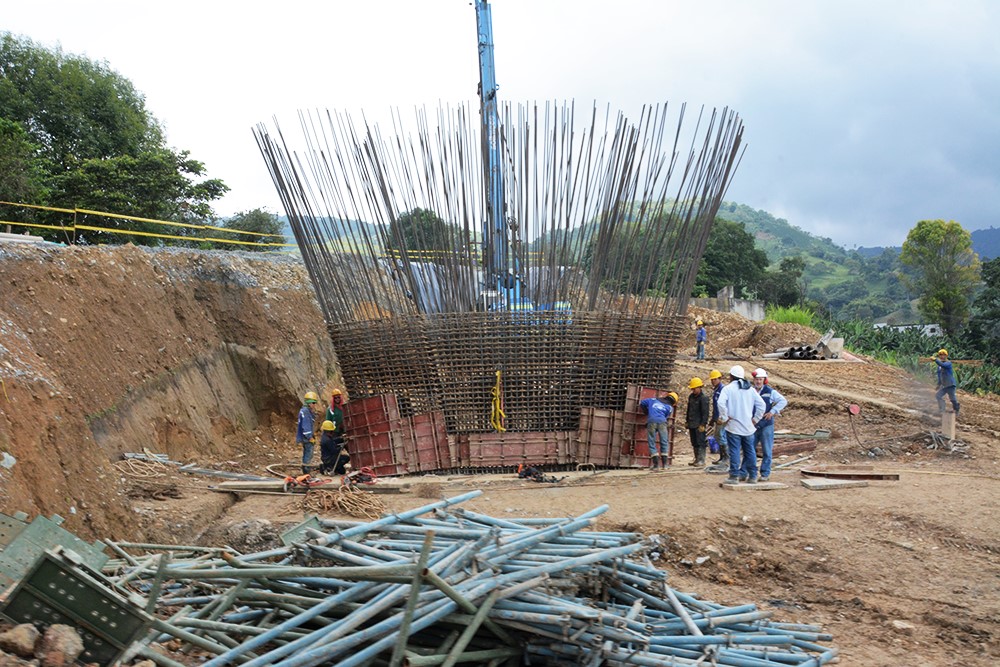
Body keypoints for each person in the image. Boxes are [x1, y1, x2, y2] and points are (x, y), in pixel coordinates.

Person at [717, 365, 765, 484]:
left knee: (734, 451)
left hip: (733, 426)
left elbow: (721, 403)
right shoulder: (750, 389)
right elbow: (762, 405)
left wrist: (724, 417)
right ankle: (753, 476)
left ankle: (734, 476)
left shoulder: (728, 389)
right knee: (750, 452)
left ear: (731, 376)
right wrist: (755, 419)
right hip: (748, 427)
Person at [750, 368, 788, 483]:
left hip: (766, 425)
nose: (758, 382)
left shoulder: (770, 392)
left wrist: (773, 411)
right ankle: (751, 472)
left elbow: (783, 401)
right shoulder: (751, 391)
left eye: (760, 379)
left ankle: (765, 473)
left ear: (764, 380)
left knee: (767, 450)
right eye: (756, 379)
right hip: (753, 425)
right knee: (750, 449)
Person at [640, 391, 674, 469]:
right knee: (664, 442)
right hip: (662, 422)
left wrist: (647, 412)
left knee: (652, 442)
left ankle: (656, 465)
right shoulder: (670, 407)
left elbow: (642, 403)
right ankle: (665, 465)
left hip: (651, 421)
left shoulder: (652, 400)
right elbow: (666, 417)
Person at [685, 377, 710, 466]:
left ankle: (701, 460)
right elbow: (689, 410)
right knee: (694, 442)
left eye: (694, 388)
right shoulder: (691, 397)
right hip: (692, 423)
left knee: (701, 442)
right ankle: (697, 459)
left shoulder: (704, 398)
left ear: (699, 387)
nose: (693, 390)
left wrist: (703, 424)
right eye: (692, 389)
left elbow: (705, 412)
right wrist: (687, 421)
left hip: (699, 424)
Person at [296, 391, 320, 474]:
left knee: (307, 453)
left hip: (304, 437)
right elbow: (306, 426)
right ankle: (306, 472)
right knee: (308, 454)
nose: (314, 405)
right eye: (313, 403)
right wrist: (310, 437)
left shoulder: (304, 410)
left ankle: (305, 470)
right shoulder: (306, 412)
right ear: (309, 402)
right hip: (306, 437)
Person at [708, 369, 728, 464]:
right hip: (718, 417)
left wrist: (722, 417)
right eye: (712, 379)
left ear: (719, 379)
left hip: (722, 418)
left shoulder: (723, 390)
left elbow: (724, 405)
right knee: (717, 436)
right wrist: (713, 418)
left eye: (715, 379)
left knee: (721, 436)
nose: (713, 381)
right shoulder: (716, 390)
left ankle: (726, 457)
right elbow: (715, 406)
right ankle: (722, 457)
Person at [934, 349, 960, 416]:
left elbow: (943, 365)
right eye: (940, 355)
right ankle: (942, 409)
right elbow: (940, 376)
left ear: (946, 356)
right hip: (945, 385)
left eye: (943, 355)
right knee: (938, 396)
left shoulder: (948, 363)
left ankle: (956, 409)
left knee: (952, 399)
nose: (942, 356)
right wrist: (938, 384)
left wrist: (935, 360)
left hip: (950, 385)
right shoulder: (939, 367)